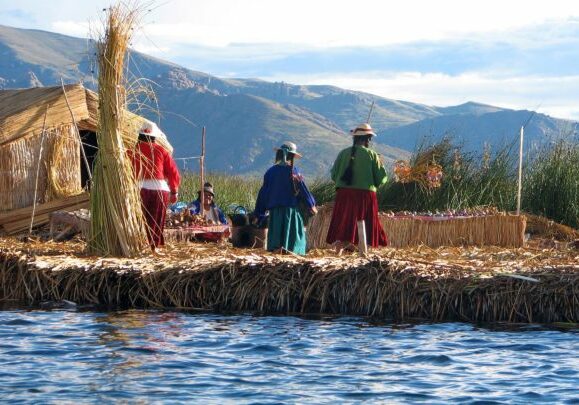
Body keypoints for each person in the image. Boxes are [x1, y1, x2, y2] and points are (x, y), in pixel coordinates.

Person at [326, 123, 388, 251]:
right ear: (368, 139)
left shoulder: (343, 153)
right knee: (364, 221)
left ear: (354, 138)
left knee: (344, 222)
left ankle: (340, 247)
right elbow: (381, 178)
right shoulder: (372, 155)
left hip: (344, 194)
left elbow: (334, 175)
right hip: (365, 196)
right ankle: (362, 248)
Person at [254, 141, 317, 255]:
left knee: (277, 242)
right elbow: (302, 188)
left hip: (275, 214)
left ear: (279, 154)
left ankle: (278, 253)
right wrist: (311, 204)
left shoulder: (270, 172)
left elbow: (263, 193)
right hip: (291, 213)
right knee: (293, 242)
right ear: (292, 156)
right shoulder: (293, 171)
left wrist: (259, 212)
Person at [129, 121, 180, 250]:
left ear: (139, 136)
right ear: (154, 137)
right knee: (156, 221)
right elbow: (174, 173)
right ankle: (153, 247)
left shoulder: (131, 152)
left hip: (139, 189)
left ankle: (139, 245)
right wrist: (174, 191)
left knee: (140, 220)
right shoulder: (161, 151)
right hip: (160, 190)